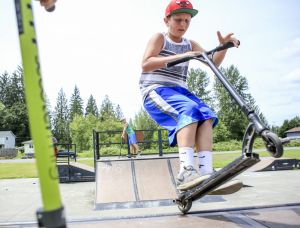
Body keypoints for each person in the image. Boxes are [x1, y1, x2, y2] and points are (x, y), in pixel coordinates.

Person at [139, 0, 240, 191]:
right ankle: (186, 170)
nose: (183, 25)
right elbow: (146, 63)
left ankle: (206, 171)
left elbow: (213, 63)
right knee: (189, 109)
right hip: (156, 90)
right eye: (178, 20)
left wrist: (223, 46)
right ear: (166, 20)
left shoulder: (190, 44)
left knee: (207, 115)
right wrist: (183, 56)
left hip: (180, 92)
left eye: (187, 21)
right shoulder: (160, 38)